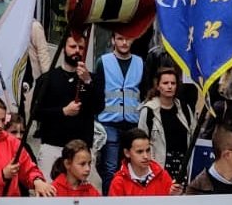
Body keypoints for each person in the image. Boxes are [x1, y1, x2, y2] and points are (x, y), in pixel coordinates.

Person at [33, 31, 103, 179]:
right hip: (53, 148)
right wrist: (63, 111)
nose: (77, 51)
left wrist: (88, 82)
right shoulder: (47, 79)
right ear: (64, 48)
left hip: (82, 150)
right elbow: (36, 113)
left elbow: (99, 107)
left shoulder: (93, 79)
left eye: (81, 47)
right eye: (72, 46)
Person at [95, 32, 144, 186]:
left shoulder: (140, 62)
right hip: (109, 122)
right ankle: (109, 203)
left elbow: (144, 90)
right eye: (120, 39)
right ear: (113, 40)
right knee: (110, 168)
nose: (124, 42)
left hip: (132, 123)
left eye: (127, 38)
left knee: (132, 167)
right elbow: (98, 91)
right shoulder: (103, 62)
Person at [137, 66, 194, 183]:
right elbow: (140, 143)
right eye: (165, 83)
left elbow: (193, 136)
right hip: (158, 168)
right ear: (158, 86)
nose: (169, 86)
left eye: (173, 83)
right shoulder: (148, 111)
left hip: (184, 168)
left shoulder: (185, 109)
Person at [107, 129, 179, 197]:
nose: (146, 156)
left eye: (148, 150)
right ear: (127, 153)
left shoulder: (163, 176)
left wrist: (175, 196)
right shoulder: (119, 182)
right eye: (139, 152)